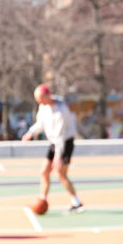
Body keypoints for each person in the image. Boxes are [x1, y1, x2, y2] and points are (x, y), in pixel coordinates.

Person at [20, 84, 84, 213]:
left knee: (61, 173)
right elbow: (41, 123)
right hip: (54, 142)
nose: (39, 102)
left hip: (65, 143)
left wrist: (58, 156)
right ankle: (42, 199)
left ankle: (76, 202)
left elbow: (60, 135)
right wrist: (30, 133)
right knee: (44, 171)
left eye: (40, 99)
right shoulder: (43, 106)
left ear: (47, 96)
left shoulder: (61, 110)